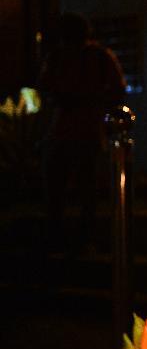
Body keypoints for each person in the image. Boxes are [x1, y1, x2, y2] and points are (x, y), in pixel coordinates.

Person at [38, 13, 126, 254]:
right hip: (75, 130)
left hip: (77, 130)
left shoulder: (91, 57)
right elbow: (117, 90)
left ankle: (70, 238)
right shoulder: (75, 57)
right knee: (74, 189)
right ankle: (75, 238)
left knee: (73, 188)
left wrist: (83, 100)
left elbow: (116, 90)